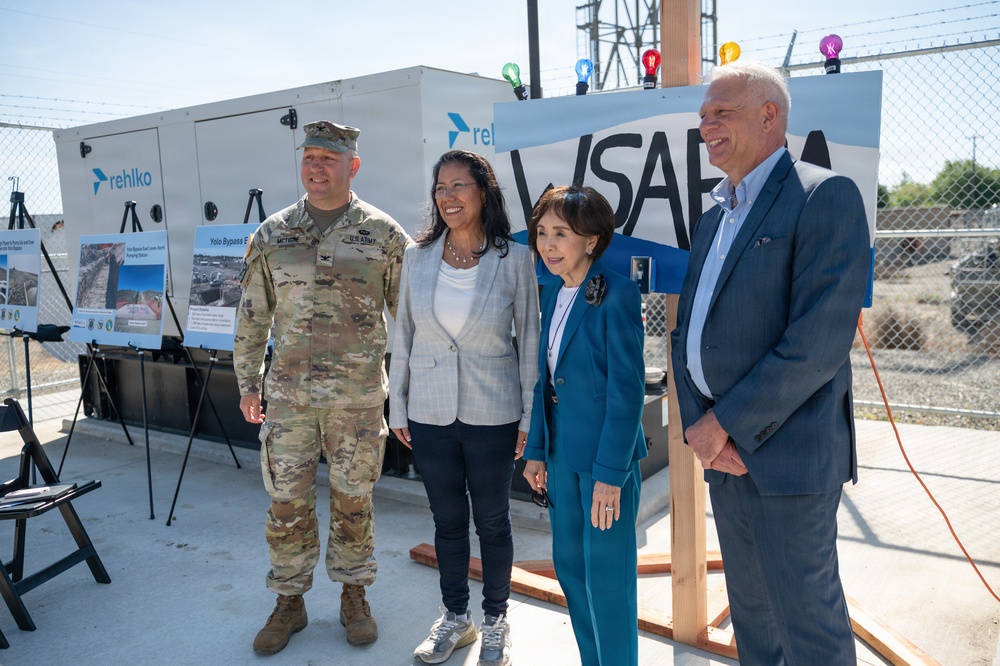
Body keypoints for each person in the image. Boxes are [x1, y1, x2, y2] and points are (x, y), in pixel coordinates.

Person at [670, 62, 871, 665]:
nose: (705, 126)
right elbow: (687, 332)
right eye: (703, 116)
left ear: (769, 115)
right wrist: (699, 427)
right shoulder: (713, 216)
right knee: (754, 624)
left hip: (789, 458)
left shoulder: (824, 195)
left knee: (808, 624)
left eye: (720, 113)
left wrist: (721, 421)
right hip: (724, 458)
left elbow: (818, 340)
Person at [234, 121, 411, 656]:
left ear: (352, 166)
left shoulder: (384, 235)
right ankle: (290, 600)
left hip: (357, 400)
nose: (316, 167)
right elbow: (251, 315)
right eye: (309, 157)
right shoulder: (272, 233)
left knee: (354, 501)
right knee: (285, 503)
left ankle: (354, 595)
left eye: (328, 159)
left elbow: (407, 320)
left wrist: (404, 394)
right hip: (287, 399)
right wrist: (247, 383)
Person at [388, 150, 540, 666]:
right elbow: (403, 335)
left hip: (494, 412)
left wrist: (528, 417)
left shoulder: (514, 258)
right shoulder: (417, 258)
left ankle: (497, 619)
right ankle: (456, 617)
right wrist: (398, 407)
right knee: (447, 521)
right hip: (429, 413)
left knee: (493, 521)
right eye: (440, 188)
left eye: (459, 186)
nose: (448, 197)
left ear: (483, 191)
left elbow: (530, 342)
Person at [522, 185, 647, 666]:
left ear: (591, 241)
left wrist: (611, 476)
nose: (548, 245)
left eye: (561, 234)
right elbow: (544, 377)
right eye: (542, 233)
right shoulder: (552, 289)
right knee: (571, 569)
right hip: (561, 457)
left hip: (604, 466)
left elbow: (627, 391)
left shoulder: (617, 293)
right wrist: (537, 450)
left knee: (607, 580)